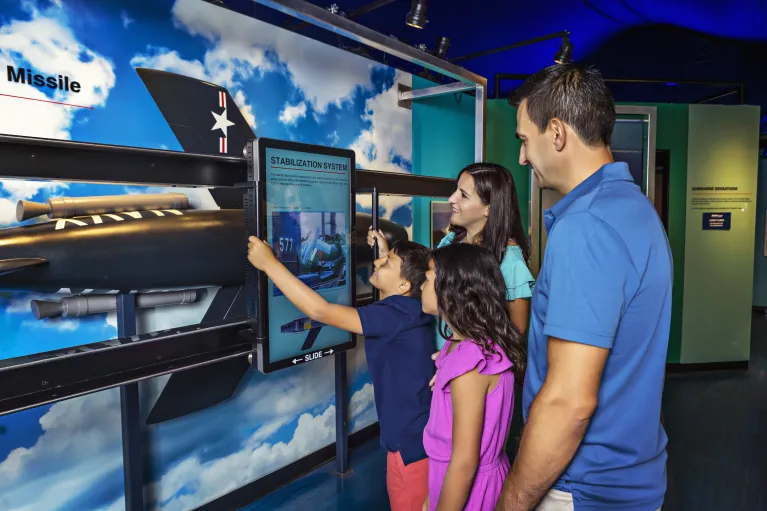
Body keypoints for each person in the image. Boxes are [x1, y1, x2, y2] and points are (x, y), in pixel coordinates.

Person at [496, 64, 672, 511]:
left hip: (582, 488)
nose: (522, 158)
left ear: (556, 133)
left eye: (523, 140)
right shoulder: (636, 210)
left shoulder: (587, 226)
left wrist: (510, 503)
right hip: (633, 478)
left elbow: (568, 402)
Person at [247, 235, 435, 511]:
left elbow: (319, 311)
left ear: (405, 284)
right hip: (420, 438)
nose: (377, 262)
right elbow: (393, 289)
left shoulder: (394, 316)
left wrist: (269, 264)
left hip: (409, 450)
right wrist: (387, 256)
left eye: (387, 262)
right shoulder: (412, 309)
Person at [369, 163, 534, 347]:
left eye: (463, 195)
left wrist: (462, 362)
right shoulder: (450, 241)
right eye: (456, 190)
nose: (451, 198)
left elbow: (514, 334)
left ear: (489, 208)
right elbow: (420, 282)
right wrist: (385, 255)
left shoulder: (512, 262)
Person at [419, 243, 526, 511]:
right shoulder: (469, 346)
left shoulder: (469, 363)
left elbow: (465, 461)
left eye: (427, 279)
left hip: (470, 488)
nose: (420, 286)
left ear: (450, 293)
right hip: (462, 479)